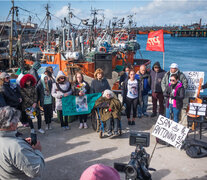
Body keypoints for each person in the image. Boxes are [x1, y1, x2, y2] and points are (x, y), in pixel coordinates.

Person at [0, 106, 45, 179]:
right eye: (17, 122)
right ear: (11, 126)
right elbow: (36, 170)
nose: (18, 124)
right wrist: (37, 150)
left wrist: (22, 142)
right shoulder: (17, 147)